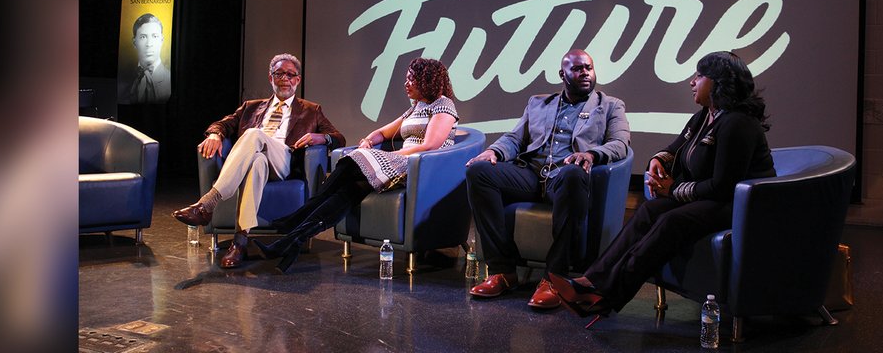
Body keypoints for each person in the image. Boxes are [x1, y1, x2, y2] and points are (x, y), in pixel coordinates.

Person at [546, 51, 776, 325]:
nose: (692, 82)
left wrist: (672, 190)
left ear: (717, 82)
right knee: (648, 211)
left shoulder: (738, 123)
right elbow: (675, 148)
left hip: (739, 206)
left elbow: (723, 186)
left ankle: (607, 297)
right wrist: (657, 160)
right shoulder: (706, 116)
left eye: (699, 76)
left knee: (671, 220)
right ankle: (591, 281)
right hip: (712, 199)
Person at [249, 57, 459, 273]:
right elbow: (382, 132)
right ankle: (291, 242)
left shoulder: (443, 105)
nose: (406, 84)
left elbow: (430, 145)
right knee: (347, 192)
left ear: (427, 80)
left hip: (417, 167)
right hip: (398, 163)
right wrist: (369, 140)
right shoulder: (416, 107)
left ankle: (296, 218)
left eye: (411, 79)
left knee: (350, 162)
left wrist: (392, 154)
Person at [465, 49, 631, 310]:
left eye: (589, 67)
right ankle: (503, 271)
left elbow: (620, 144)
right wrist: (493, 151)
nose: (585, 72)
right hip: (532, 173)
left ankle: (555, 278)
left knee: (573, 173)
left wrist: (591, 154)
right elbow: (515, 138)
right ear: (562, 74)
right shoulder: (538, 103)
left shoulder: (609, 105)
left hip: (566, 178)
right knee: (478, 172)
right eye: (577, 69)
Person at [172, 53, 346, 268]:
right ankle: (240, 242)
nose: (285, 79)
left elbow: (339, 138)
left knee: (254, 134)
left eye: (291, 75)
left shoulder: (311, 110)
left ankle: (208, 204)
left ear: (298, 80)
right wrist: (215, 135)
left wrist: (323, 137)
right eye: (279, 74)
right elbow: (223, 124)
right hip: (257, 159)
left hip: (284, 161)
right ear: (270, 78)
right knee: (256, 163)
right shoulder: (251, 107)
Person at [122, 13, 172, 103]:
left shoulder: (170, 80)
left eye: (155, 36)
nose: (149, 44)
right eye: (143, 37)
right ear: (134, 42)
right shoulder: (123, 81)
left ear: (161, 40)